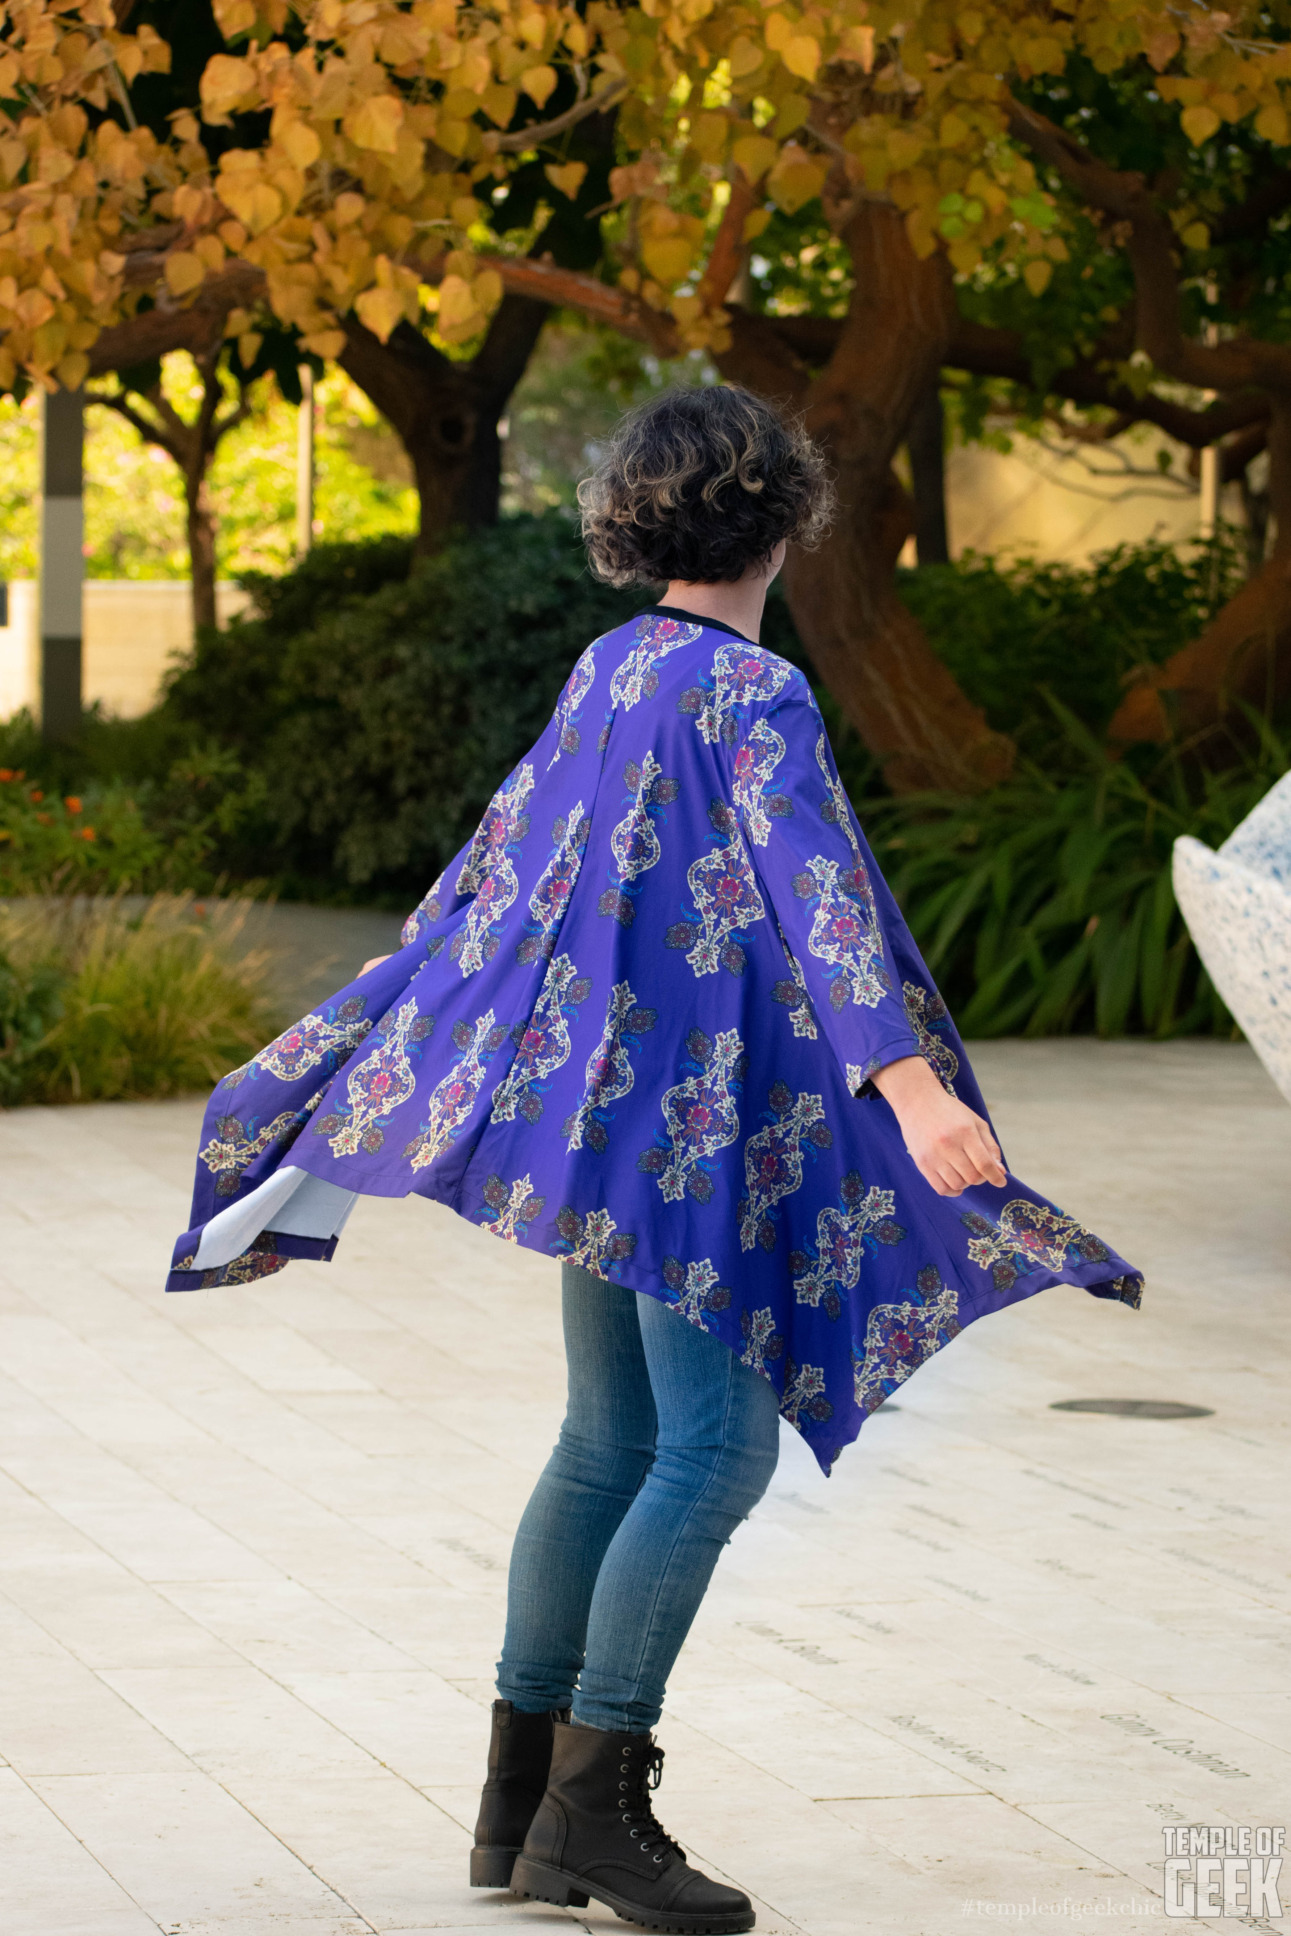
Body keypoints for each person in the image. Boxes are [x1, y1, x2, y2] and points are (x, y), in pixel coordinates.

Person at [166, 386, 1142, 1936]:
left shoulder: (611, 667)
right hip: (705, 1138)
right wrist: (913, 1090)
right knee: (711, 1456)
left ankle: (517, 1808)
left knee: (605, 1447)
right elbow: (817, 895)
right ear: (783, 517)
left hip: (603, 1124)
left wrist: (381, 1051)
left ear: (646, 518)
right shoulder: (755, 697)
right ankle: (596, 1819)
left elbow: (498, 872)